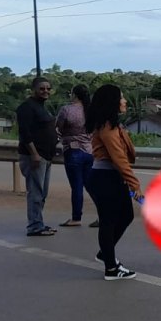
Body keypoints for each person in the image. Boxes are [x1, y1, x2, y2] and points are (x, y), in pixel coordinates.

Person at [85, 84, 139, 281]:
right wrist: (135, 184)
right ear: (112, 101)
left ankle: (105, 253)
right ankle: (111, 268)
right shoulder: (107, 127)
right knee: (108, 221)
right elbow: (118, 158)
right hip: (104, 178)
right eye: (122, 98)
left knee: (126, 215)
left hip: (112, 177)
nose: (125, 101)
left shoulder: (113, 124)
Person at [17, 77, 58, 237]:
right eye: (42, 88)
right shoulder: (26, 108)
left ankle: (38, 222)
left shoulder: (42, 107)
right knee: (35, 192)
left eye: (48, 88)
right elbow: (25, 133)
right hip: (34, 157)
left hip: (46, 157)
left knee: (42, 193)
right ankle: (34, 226)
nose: (46, 91)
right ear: (34, 89)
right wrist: (34, 154)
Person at [56, 84, 97, 228]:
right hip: (89, 150)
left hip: (73, 150)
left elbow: (59, 128)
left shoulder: (67, 110)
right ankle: (103, 214)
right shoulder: (92, 111)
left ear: (74, 94)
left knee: (77, 186)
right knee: (91, 185)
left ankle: (76, 217)